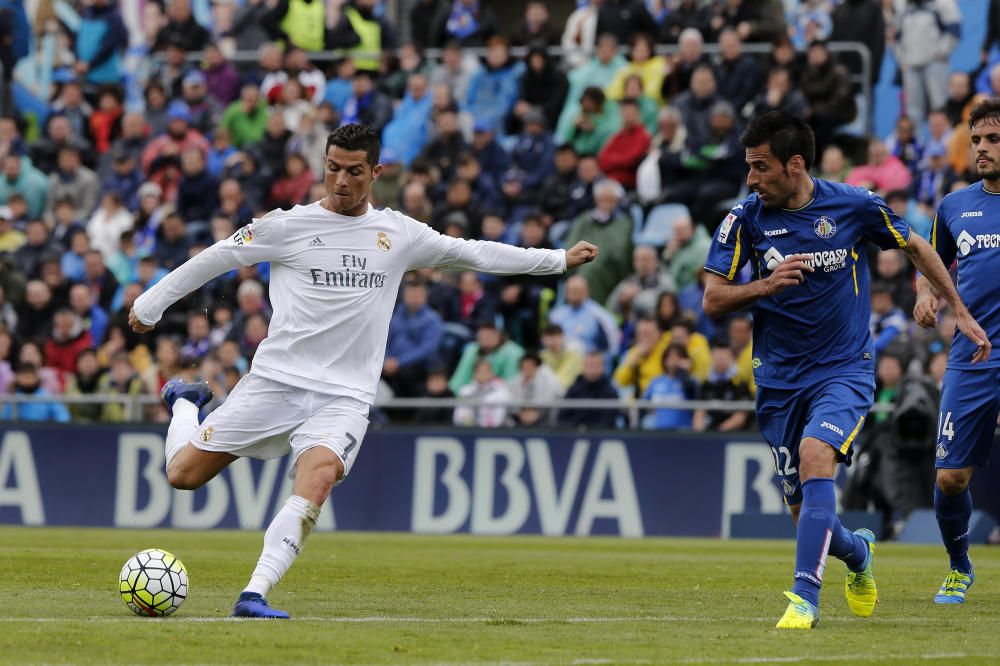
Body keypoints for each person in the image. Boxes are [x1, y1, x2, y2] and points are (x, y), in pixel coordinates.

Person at [128, 123, 600, 618]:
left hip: (344, 396)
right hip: (276, 382)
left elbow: (472, 253)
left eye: (354, 172)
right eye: (333, 169)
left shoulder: (398, 234)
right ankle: (184, 400)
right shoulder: (286, 225)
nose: (341, 181)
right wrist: (150, 303)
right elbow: (218, 256)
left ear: (376, 172)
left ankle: (254, 594)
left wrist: (555, 260)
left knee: (319, 477)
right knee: (182, 475)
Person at [701, 110, 987, 628]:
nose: (751, 178)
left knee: (816, 457)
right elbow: (713, 298)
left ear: (794, 164)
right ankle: (857, 553)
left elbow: (916, 246)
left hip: (843, 370)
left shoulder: (853, 205)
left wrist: (958, 311)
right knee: (804, 511)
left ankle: (804, 597)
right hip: (777, 380)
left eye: (760, 167)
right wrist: (766, 284)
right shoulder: (744, 218)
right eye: (748, 166)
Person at [913, 97, 1000, 605]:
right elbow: (931, 266)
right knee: (949, 477)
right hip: (973, 355)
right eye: (977, 141)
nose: (982, 149)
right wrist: (926, 295)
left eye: (993, 139)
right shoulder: (954, 206)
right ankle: (959, 566)